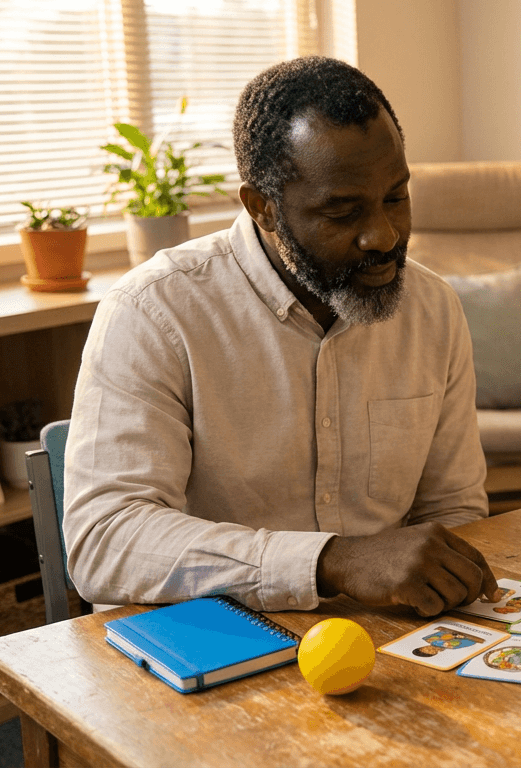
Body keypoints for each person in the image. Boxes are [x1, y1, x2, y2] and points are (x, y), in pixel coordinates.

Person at [63, 56, 497, 617]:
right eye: (342, 212)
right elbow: (104, 542)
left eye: (396, 197)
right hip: (213, 638)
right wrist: (330, 562)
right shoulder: (153, 312)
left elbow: (454, 507)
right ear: (262, 207)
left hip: (388, 633)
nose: (383, 235)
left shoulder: (433, 309)